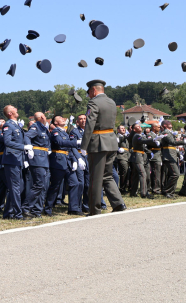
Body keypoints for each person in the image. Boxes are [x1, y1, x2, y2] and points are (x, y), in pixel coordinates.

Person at [79, 80, 125, 215]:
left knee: (95, 178)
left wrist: (84, 145)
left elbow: (90, 123)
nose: (89, 96)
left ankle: (94, 209)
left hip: (98, 143)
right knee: (108, 175)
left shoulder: (94, 102)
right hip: (111, 141)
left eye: (89, 93)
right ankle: (118, 203)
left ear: (93, 90)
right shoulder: (111, 102)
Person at [44, 116, 82, 216]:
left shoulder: (64, 132)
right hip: (58, 161)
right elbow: (60, 143)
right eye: (60, 118)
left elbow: (68, 149)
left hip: (67, 160)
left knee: (75, 183)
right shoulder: (55, 132)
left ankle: (73, 208)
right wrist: (76, 142)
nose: (63, 119)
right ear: (56, 123)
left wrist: (74, 160)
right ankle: (48, 208)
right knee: (55, 186)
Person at [1, 106, 28, 220]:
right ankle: (17, 214)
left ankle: (8, 212)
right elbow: (7, 142)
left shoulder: (15, 125)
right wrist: (23, 147)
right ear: (11, 113)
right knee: (15, 188)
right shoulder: (8, 125)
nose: (17, 109)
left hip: (17, 159)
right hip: (11, 160)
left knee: (18, 187)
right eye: (14, 109)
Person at [22, 112, 50, 218]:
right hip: (38, 158)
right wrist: (29, 147)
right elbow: (27, 136)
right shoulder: (36, 126)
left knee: (42, 186)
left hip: (44, 158)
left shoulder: (43, 128)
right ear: (42, 117)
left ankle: (36, 210)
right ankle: (26, 208)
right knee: (39, 184)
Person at [115, 125, 130, 194]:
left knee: (127, 171)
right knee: (124, 171)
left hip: (127, 155)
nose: (123, 129)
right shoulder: (116, 136)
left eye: (124, 128)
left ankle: (125, 187)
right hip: (121, 156)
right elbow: (114, 145)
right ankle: (122, 188)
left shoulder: (126, 137)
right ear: (118, 130)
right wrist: (118, 149)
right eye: (121, 128)